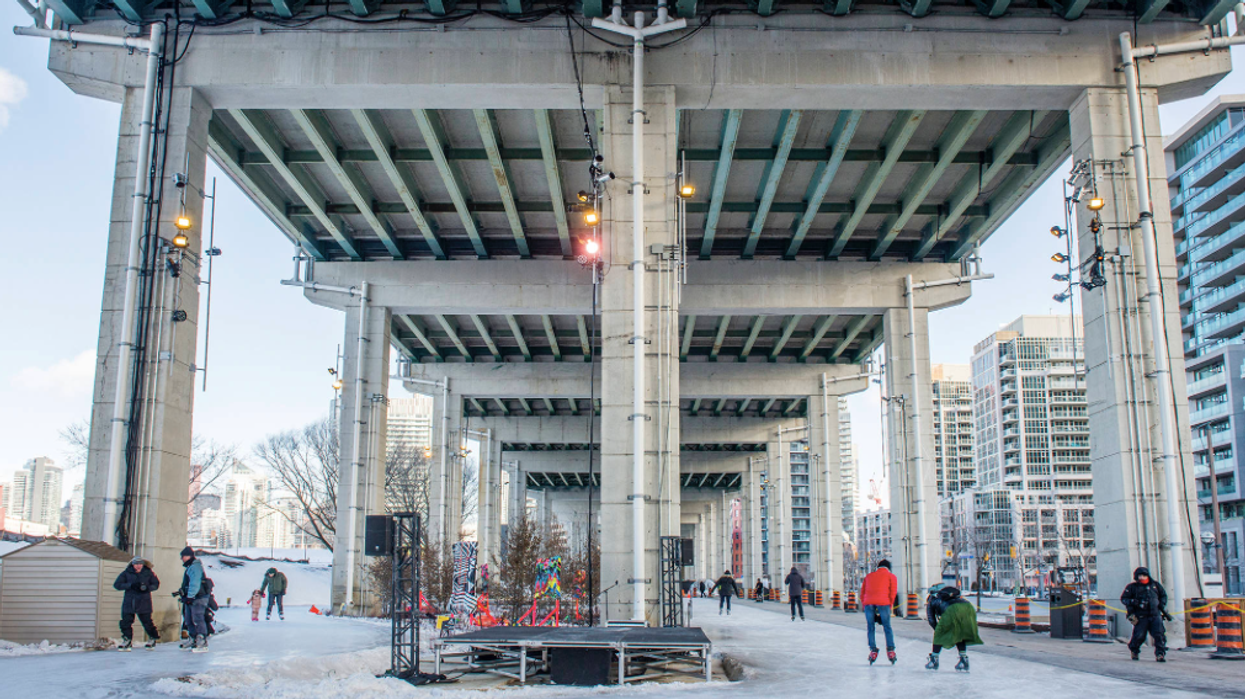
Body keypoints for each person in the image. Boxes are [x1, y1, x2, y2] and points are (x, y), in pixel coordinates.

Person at [925, 585, 982, 672]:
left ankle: (934, 660)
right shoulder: (952, 596)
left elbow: (931, 620)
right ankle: (964, 661)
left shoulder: (932, 601)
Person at [1121, 566, 1171, 662]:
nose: (1142, 578)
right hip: (1141, 616)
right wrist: (1132, 602)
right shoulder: (1132, 587)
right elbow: (1124, 599)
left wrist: (1161, 604)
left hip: (1155, 614)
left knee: (1159, 635)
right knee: (1139, 636)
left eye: (1144, 575)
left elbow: (1163, 595)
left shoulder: (1155, 586)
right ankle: (1134, 650)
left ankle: (1160, 653)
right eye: (1140, 576)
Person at [113, 556, 160, 651]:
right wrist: (130, 585)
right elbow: (117, 584)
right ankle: (127, 639)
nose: (138, 566)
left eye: (140, 564)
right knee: (125, 622)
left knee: (147, 622)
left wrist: (147, 588)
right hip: (129, 601)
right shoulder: (126, 573)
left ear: (143, 565)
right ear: (132, 565)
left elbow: (156, 584)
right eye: (136, 564)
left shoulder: (148, 573)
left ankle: (152, 638)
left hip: (144, 601)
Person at [860, 559, 898, 664]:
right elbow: (892, 593)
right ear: (888, 568)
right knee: (887, 626)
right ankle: (890, 650)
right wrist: (889, 606)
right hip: (883, 603)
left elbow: (862, 592)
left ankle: (873, 650)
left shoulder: (869, 576)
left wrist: (865, 604)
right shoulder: (891, 576)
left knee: (870, 627)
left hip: (869, 602)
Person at [177, 546, 211, 652]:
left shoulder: (195, 567)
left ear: (188, 556)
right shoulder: (190, 567)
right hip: (191, 597)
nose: (182, 559)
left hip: (198, 597)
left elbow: (195, 583)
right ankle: (193, 639)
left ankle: (202, 640)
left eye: (183, 557)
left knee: (197, 618)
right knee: (188, 619)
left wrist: (190, 596)